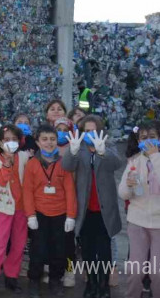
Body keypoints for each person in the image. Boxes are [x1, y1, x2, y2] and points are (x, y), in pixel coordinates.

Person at [62, 114, 121, 297]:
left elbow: (116, 164)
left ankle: (103, 285)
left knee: (104, 251)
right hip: (85, 209)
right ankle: (91, 283)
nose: (89, 134)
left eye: (93, 130)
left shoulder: (108, 146)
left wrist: (102, 152)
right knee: (87, 250)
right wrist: (71, 152)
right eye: (86, 131)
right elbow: (67, 166)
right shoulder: (79, 149)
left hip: (105, 209)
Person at [118, 120, 160, 298]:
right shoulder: (134, 162)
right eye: (144, 138)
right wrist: (129, 185)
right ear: (138, 141)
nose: (148, 141)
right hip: (137, 222)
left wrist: (155, 157)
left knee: (159, 274)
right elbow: (123, 193)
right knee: (135, 271)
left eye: (152, 137)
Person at [24, 124, 78, 297]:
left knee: (59, 250)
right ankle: (34, 280)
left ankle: (56, 280)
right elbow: (27, 191)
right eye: (45, 139)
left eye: (52, 139)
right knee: (38, 250)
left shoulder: (64, 163)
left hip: (61, 214)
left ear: (57, 141)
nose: (49, 143)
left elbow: (70, 190)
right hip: (40, 214)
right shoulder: (32, 164)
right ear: (38, 142)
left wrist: (71, 216)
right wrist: (31, 215)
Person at [0, 124, 30, 296]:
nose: (11, 142)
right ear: (0, 142)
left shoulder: (24, 156)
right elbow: (2, 181)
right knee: (0, 243)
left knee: (19, 243)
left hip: (22, 207)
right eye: (6, 140)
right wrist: (8, 162)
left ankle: (12, 276)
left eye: (14, 139)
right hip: (4, 207)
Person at [53, 117, 78, 288]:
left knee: (68, 241)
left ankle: (69, 270)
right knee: (53, 239)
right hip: (52, 202)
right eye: (58, 129)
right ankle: (54, 270)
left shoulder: (74, 149)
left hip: (70, 200)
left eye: (65, 129)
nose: (61, 133)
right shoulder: (49, 148)